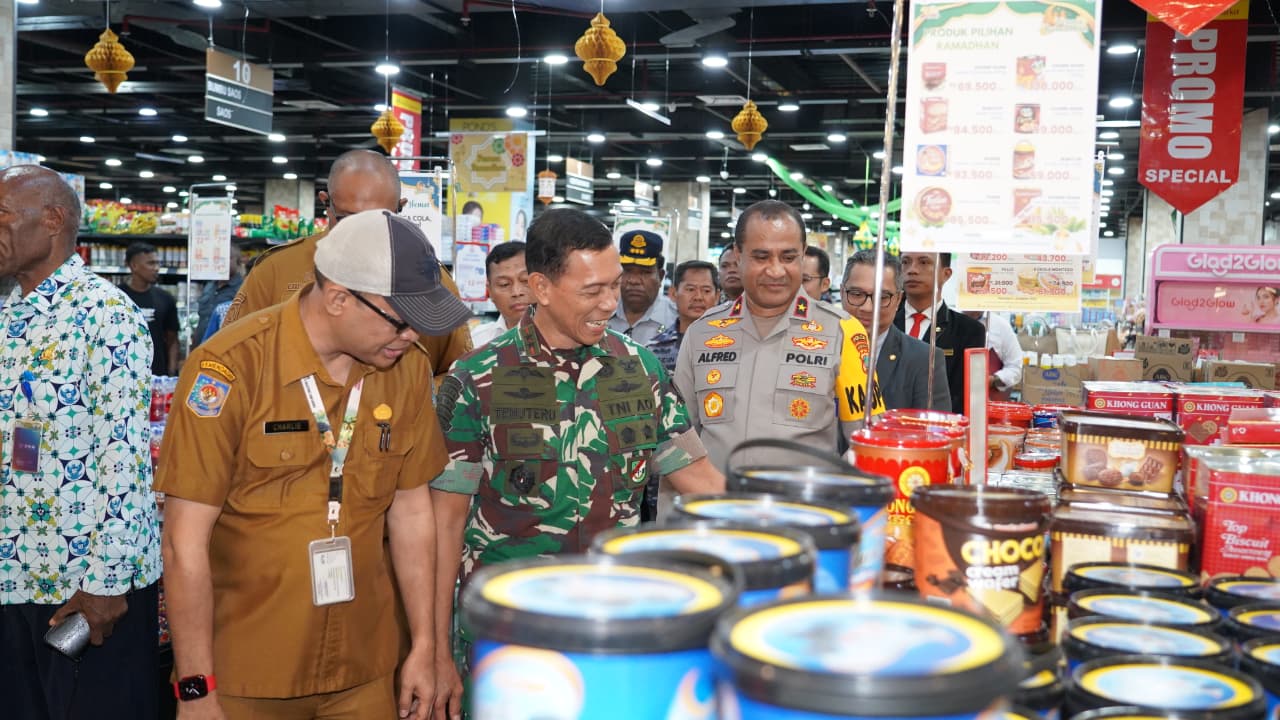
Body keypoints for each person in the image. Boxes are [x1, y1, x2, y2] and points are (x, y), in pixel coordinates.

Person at [157, 210, 471, 720]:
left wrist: (425, 646)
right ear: (339, 298)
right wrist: (196, 689)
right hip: (245, 669)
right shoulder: (230, 368)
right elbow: (182, 543)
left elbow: (412, 512)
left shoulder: (406, 371)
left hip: (364, 664)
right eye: (401, 320)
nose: (413, 336)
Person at [430, 207, 724, 604]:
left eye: (614, 286)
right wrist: (431, 649)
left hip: (610, 616)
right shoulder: (477, 378)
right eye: (592, 290)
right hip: (508, 624)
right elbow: (444, 523)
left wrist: (789, 528)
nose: (609, 304)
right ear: (542, 288)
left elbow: (700, 479)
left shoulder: (640, 370)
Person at [0, 166, 161, 720]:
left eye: (1, 217)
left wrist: (106, 584)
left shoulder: (106, 316)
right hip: (15, 571)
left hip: (84, 584)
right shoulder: (7, 315)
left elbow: (124, 460)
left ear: (52, 221)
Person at [675, 199, 884, 474]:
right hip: (716, 511)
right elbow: (678, 442)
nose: (775, 270)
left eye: (788, 257)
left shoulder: (843, 331)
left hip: (805, 512)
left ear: (802, 253)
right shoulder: (702, 333)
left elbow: (870, 442)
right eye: (761, 257)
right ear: (738, 255)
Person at [223, 149, 472, 380]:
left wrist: (416, 400)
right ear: (326, 204)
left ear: (400, 209)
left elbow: (461, 373)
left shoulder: (428, 280)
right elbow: (232, 362)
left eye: (378, 220)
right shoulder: (276, 271)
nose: (363, 233)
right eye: (348, 219)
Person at [841, 250, 950, 413]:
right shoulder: (816, 345)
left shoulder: (925, 360)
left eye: (882, 297)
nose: (867, 307)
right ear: (842, 292)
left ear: (898, 299)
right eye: (856, 294)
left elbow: (933, 432)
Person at [894, 252, 986, 415]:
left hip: (940, 430)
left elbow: (966, 397)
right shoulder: (884, 323)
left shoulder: (967, 331)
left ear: (946, 274)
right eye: (905, 262)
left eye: (923, 262)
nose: (912, 270)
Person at [647, 260, 720, 374]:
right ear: (673, 293)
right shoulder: (654, 348)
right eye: (690, 289)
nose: (698, 297)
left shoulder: (731, 343)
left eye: (706, 290)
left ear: (717, 297)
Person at [119, 241, 180, 376]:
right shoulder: (116, 297)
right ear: (134, 266)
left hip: (157, 375)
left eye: (157, 263)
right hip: (122, 373)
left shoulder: (165, 298)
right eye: (151, 263)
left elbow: (172, 340)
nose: (157, 268)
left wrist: (171, 372)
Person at [608, 229, 677, 345]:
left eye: (645, 273)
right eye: (627, 271)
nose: (634, 281)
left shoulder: (676, 320)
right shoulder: (600, 313)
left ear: (660, 277)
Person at [470, 241, 530, 348]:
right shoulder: (477, 343)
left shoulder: (565, 339)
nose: (516, 292)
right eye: (504, 284)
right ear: (490, 291)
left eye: (525, 280)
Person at [964, 310, 1025, 399]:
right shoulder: (950, 322)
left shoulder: (1000, 326)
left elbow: (1015, 368)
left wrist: (993, 380)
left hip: (990, 401)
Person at [193, 247, 246, 345]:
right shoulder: (209, 285)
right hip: (201, 346)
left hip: (222, 348)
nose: (222, 262)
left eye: (227, 258)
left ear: (237, 261)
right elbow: (202, 317)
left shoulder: (242, 289)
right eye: (219, 258)